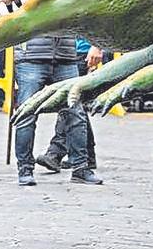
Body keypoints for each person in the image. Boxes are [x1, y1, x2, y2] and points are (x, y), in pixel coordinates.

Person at [12, 32, 101, 187]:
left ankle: (81, 168)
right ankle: (25, 169)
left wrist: (97, 45)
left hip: (65, 59)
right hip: (30, 58)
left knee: (76, 115)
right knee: (26, 116)